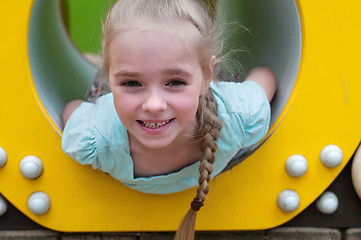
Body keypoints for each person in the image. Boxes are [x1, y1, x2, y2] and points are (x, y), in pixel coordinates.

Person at [62, 0, 277, 239]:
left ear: (207, 75)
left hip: (213, 92)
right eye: (131, 82)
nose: (154, 105)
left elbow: (264, 77)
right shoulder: (97, 134)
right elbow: (75, 114)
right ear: (111, 80)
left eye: (175, 82)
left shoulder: (238, 116)